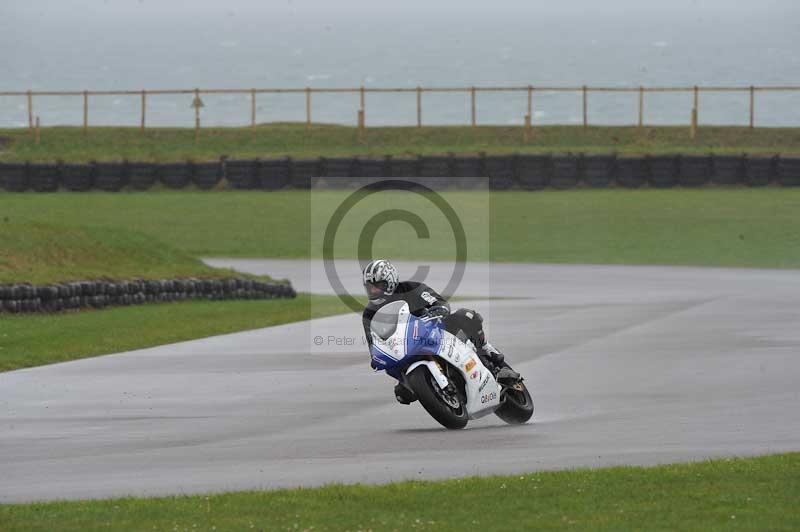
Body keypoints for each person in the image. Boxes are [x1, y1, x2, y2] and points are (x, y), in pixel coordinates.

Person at [361, 259, 519, 404]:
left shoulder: (412, 288)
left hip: (432, 330)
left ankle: (489, 352)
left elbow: (438, 302)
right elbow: (373, 343)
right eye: (369, 287)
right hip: (404, 348)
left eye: (378, 285)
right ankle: (423, 386)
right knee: (402, 393)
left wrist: (438, 309)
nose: (373, 290)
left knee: (465, 315)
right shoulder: (369, 313)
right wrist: (376, 357)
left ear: (390, 282)